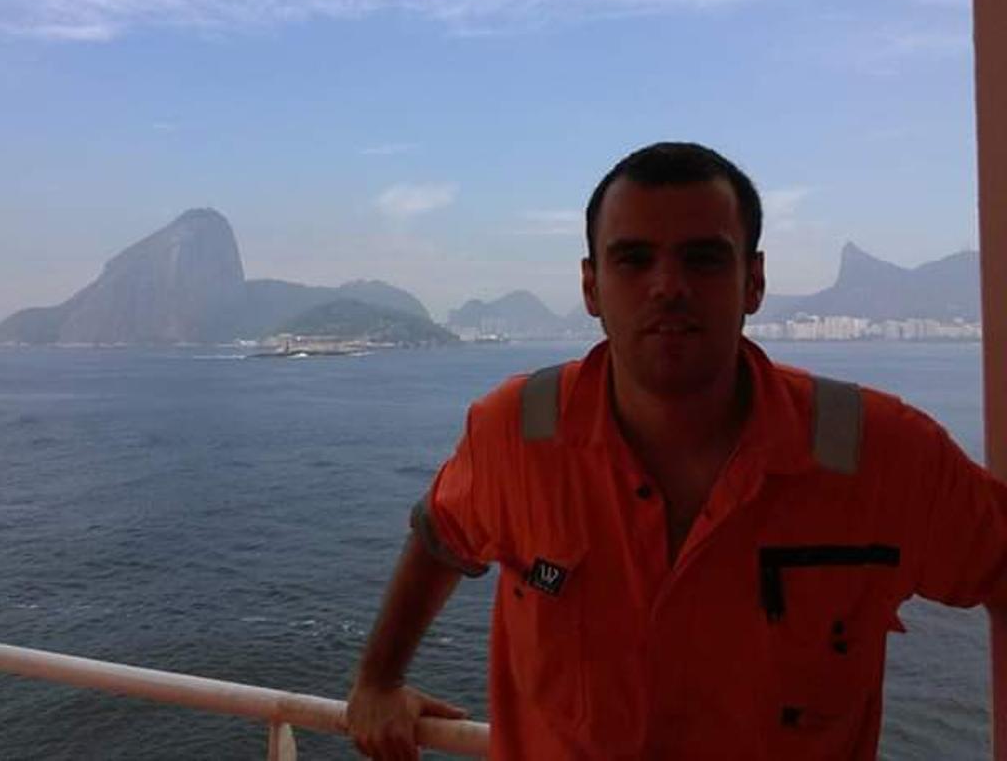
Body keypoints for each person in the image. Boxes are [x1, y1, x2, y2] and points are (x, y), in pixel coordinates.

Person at [344, 142, 1007, 760]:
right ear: (591, 287)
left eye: (703, 258)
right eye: (633, 259)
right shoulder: (516, 433)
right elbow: (440, 536)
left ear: (753, 281)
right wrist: (377, 680)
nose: (668, 285)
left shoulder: (879, 453)